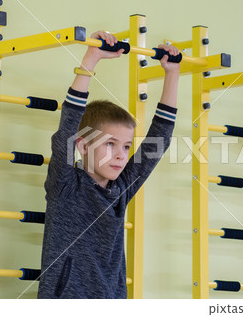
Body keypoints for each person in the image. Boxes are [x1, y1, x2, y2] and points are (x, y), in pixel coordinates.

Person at [37, 31, 180, 299]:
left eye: (126, 146)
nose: (121, 156)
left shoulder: (121, 189)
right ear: (83, 146)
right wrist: (92, 57)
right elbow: (68, 125)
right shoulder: (65, 185)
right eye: (110, 144)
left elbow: (160, 137)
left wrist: (172, 73)